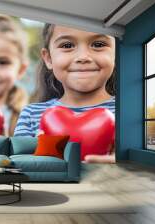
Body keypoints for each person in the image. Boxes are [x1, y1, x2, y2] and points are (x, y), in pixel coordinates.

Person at [14, 24, 116, 163]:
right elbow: (20, 164)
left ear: (116, 54)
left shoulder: (131, 113)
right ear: (48, 59)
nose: (83, 57)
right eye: (67, 45)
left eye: (98, 44)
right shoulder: (30, 114)